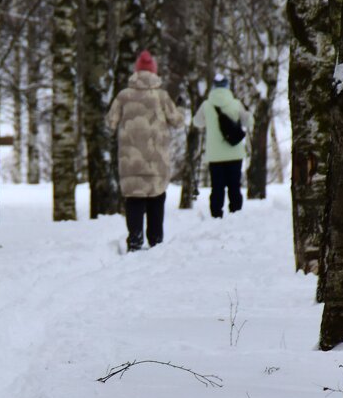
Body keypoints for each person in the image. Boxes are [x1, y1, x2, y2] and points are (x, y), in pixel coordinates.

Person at [106, 50, 183, 252]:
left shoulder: (123, 96)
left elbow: (110, 122)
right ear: (154, 72)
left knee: (134, 200)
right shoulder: (162, 96)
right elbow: (178, 121)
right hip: (157, 161)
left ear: (136, 72)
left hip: (130, 161)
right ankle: (156, 241)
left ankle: (135, 240)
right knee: (157, 198)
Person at [193, 74, 251, 219]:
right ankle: (236, 213)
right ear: (227, 86)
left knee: (217, 187)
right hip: (235, 153)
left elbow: (197, 122)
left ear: (213, 87)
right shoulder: (236, 103)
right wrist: (248, 111)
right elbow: (248, 123)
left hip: (215, 155)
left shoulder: (206, 105)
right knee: (234, 186)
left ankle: (216, 214)